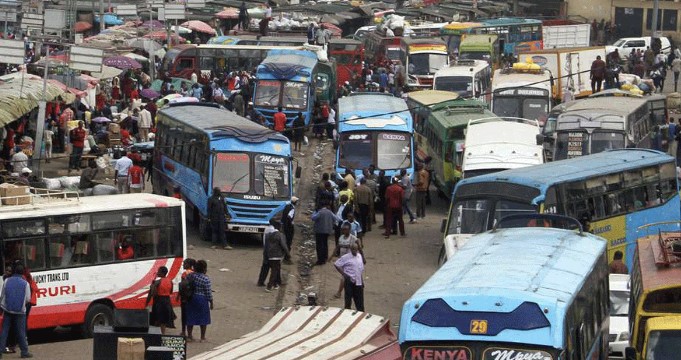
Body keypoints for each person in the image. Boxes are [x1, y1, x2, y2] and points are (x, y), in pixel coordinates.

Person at [0, 263, 32, 358]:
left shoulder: (7, 281)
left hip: (8, 310)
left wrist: (2, 307)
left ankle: (0, 351)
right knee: (21, 332)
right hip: (20, 312)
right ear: (22, 272)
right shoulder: (25, 283)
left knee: (4, 331)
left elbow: (2, 296)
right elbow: (28, 299)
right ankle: (24, 352)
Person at [185, 260, 212, 342]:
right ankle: (202, 337)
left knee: (190, 317)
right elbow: (208, 292)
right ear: (204, 269)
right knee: (203, 319)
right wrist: (211, 302)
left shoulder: (190, 276)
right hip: (202, 299)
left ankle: (189, 336)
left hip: (191, 298)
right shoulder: (205, 279)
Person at [334, 243, 364, 312]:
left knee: (359, 301)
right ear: (351, 249)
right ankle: (347, 312)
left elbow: (360, 270)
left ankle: (360, 313)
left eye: (356, 250)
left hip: (358, 282)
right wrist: (344, 274)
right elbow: (336, 264)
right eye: (353, 249)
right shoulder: (346, 257)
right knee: (348, 299)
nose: (355, 251)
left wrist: (362, 281)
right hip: (349, 281)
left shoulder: (359, 256)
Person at [146, 266, 175, 334]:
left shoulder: (157, 282)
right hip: (167, 301)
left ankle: (159, 334)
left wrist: (152, 286)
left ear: (161, 273)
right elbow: (170, 292)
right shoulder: (170, 281)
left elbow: (152, 294)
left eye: (158, 271)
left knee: (158, 318)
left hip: (159, 301)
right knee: (164, 319)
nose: (157, 272)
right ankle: (163, 333)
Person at [264, 221, 290, 292]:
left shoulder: (269, 235)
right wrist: (288, 254)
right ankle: (269, 286)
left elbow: (266, 245)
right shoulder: (280, 235)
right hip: (277, 255)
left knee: (276, 269)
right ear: (280, 227)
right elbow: (284, 245)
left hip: (270, 255)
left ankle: (276, 284)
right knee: (274, 271)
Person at [177, 258, 195, 338]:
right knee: (190, 315)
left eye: (184, 263)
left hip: (184, 298)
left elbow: (182, 287)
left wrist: (178, 296)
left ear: (189, 265)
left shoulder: (184, 274)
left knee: (184, 315)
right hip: (192, 297)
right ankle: (190, 334)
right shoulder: (195, 273)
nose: (183, 265)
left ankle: (184, 331)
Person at [281, 197, 297, 264]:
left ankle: (285, 257)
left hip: (284, 226)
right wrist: (291, 224)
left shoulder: (287, 206)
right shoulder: (292, 209)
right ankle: (286, 258)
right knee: (289, 242)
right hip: (289, 228)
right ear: (295, 202)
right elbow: (289, 217)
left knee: (285, 241)